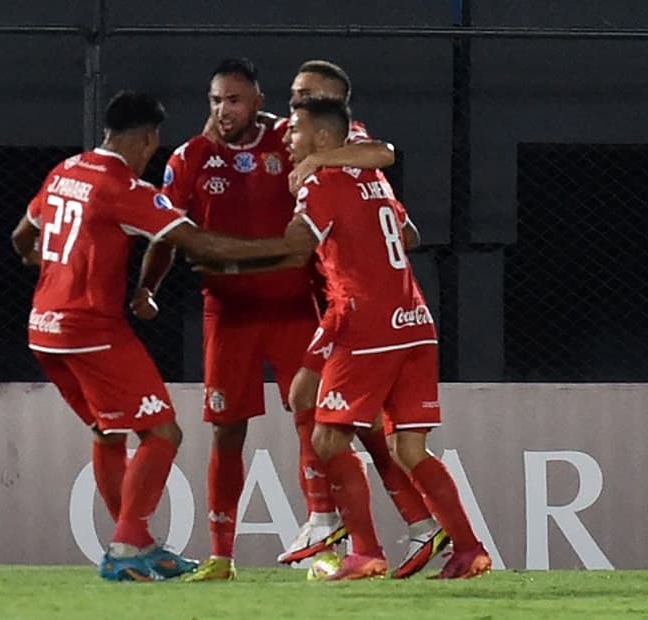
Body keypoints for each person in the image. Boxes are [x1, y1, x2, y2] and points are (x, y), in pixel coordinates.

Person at [11, 90, 297, 582]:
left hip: (44, 329)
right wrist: (282, 248)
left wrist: (44, 260)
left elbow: (21, 237)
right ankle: (125, 548)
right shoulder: (125, 188)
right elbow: (195, 240)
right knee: (163, 432)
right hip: (90, 329)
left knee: (108, 427)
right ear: (149, 138)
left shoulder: (65, 171)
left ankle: (138, 541)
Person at [132, 58, 394, 582]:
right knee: (226, 432)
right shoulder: (190, 157)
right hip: (227, 315)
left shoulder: (292, 137)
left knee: (314, 420)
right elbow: (165, 232)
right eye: (214, 101)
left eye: (233, 100)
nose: (223, 111)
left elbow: (378, 152)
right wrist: (146, 288)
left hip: (297, 307)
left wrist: (318, 164)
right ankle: (222, 555)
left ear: (257, 101)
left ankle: (327, 531)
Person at [252, 96, 492, 580]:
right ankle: (469, 549)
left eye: (295, 130)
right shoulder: (372, 175)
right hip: (415, 322)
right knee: (410, 449)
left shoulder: (320, 182)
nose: (288, 138)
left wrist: (250, 250)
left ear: (323, 137)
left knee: (327, 437)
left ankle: (365, 552)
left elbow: (301, 240)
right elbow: (407, 236)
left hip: (369, 327)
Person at [277, 60, 449, 580]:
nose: (293, 107)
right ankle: (406, 524)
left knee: (321, 408)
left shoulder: (350, 146)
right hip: (340, 298)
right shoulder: (308, 142)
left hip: (355, 307)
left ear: (334, 102)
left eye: (305, 96)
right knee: (319, 405)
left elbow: (387, 155)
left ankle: (342, 526)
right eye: (293, 95)